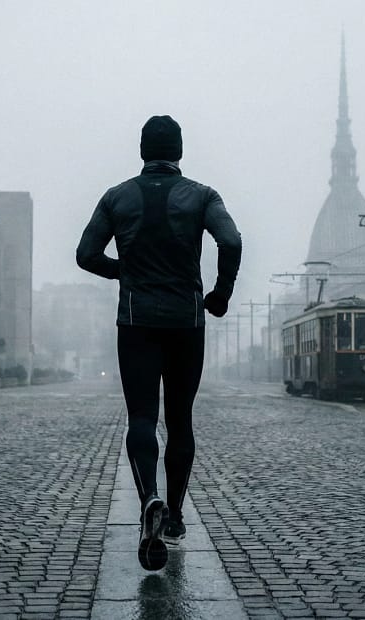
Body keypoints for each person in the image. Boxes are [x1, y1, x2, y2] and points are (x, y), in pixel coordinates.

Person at [76, 115, 242, 571]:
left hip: (136, 322)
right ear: (180, 152)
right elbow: (231, 240)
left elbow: (85, 254)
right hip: (187, 323)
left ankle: (148, 498)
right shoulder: (203, 196)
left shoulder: (116, 197)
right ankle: (174, 518)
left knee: (143, 417)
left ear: (143, 151)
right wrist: (220, 294)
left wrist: (124, 272)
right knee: (181, 420)